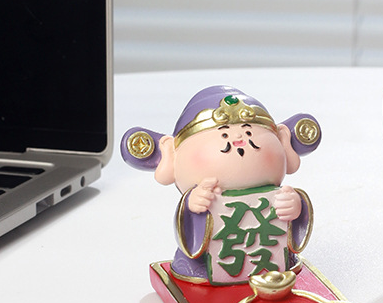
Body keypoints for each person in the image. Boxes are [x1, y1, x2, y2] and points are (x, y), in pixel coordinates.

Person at [121, 85, 321, 284]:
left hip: (273, 260)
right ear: (172, 154)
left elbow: (296, 221)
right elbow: (188, 226)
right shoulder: (197, 195)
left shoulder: (280, 186)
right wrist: (193, 205)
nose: (239, 139)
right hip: (202, 264)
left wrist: (295, 207)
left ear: (282, 141)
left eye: (249, 132)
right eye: (224, 135)